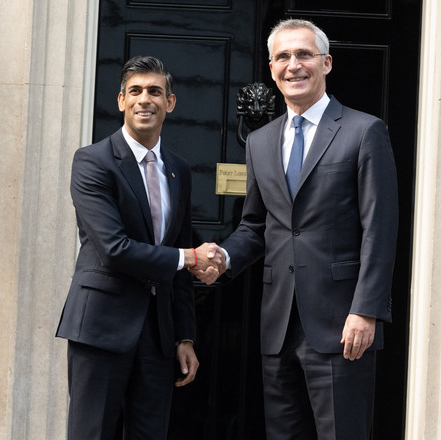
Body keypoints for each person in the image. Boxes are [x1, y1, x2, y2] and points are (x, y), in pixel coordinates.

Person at [192, 19, 399, 440]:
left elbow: (380, 228)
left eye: (304, 54)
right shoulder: (261, 142)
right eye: (283, 57)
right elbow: (255, 225)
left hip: (343, 325)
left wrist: (366, 310)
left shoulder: (364, 131)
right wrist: (225, 258)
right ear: (271, 69)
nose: (294, 65)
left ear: (326, 63)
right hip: (278, 326)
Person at [56, 55, 221, 440]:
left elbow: (177, 259)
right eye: (135, 91)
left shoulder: (179, 169)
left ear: (170, 102)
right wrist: (190, 257)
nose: (144, 99)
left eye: (154, 91)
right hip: (101, 326)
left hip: (158, 335)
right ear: (120, 100)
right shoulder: (93, 161)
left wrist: (184, 336)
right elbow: (114, 248)